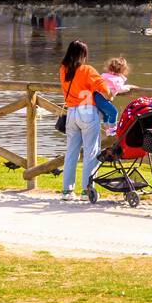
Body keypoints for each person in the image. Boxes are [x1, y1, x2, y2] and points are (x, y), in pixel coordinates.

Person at [59, 40, 112, 199]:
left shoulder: (63, 69)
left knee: (71, 153)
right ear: (83, 55)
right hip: (88, 111)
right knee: (91, 152)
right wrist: (110, 96)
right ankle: (86, 190)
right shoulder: (87, 70)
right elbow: (105, 89)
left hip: (71, 113)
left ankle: (67, 191)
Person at [97, 55, 130, 132]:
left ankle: (107, 128)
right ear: (122, 70)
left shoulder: (104, 75)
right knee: (113, 112)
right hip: (103, 99)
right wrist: (128, 87)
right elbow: (120, 89)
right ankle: (112, 129)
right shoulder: (117, 79)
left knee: (106, 114)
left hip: (97, 96)